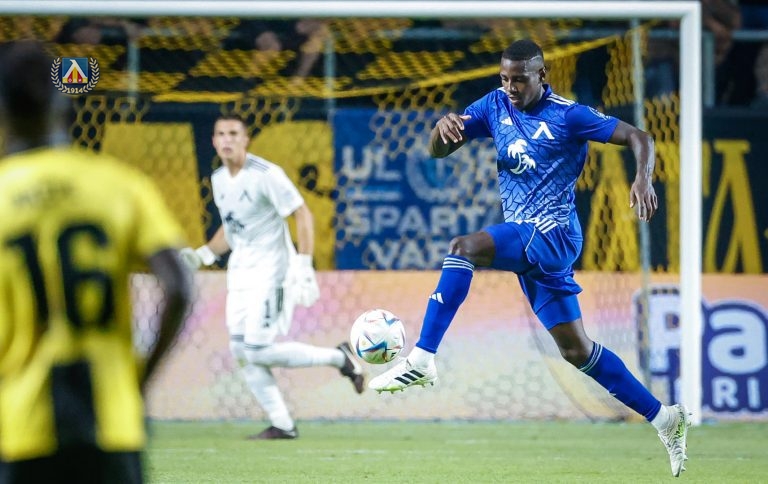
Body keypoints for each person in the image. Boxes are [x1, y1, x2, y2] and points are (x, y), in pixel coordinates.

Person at [369, 39, 692, 477]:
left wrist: (644, 178)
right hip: (531, 243)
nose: (511, 87)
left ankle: (422, 358)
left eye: (519, 79)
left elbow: (640, 136)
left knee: (464, 248)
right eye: (504, 78)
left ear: (542, 76)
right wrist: (440, 131)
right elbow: (438, 150)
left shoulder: (569, 115)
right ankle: (665, 418)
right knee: (577, 350)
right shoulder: (494, 105)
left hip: (553, 234)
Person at [0, 41, 193, 484]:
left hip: (20, 427)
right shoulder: (119, 185)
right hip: (112, 423)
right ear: (62, 102)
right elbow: (179, 286)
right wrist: (138, 382)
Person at [180, 114, 364, 440]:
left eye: (233, 133)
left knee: (257, 349)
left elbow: (302, 214)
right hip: (240, 272)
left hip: (272, 271)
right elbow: (232, 227)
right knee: (242, 351)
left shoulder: (266, 174)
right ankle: (283, 425)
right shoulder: (219, 179)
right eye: (220, 134)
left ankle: (340, 358)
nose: (227, 139)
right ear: (213, 141)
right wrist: (203, 254)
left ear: (246, 139)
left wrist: (303, 265)